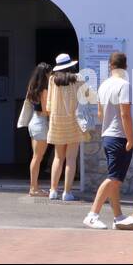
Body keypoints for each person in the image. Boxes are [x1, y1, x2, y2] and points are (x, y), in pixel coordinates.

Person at [84, 52, 133, 230]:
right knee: (114, 178)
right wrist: (131, 138)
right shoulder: (124, 85)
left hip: (107, 135)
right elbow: (125, 114)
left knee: (115, 178)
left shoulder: (103, 85)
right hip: (119, 136)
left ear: (110, 66)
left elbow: (100, 113)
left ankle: (118, 216)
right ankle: (92, 214)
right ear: (125, 66)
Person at [46, 53, 86, 201]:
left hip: (56, 121)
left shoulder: (52, 80)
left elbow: (49, 105)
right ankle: (67, 192)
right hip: (74, 121)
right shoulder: (79, 79)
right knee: (71, 158)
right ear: (71, 65)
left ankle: (53, 190)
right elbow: (86, 99)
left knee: (58, 157)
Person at [21, 62, 54, 196]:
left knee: (35, 157)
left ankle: (33, 187)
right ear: (45, 74)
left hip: (33, 121)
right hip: (41, 123)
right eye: (49, 74)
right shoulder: (44, 90)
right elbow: (46, 110)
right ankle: (34, 188)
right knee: (38, 157)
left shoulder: (31, 87)